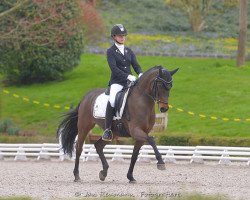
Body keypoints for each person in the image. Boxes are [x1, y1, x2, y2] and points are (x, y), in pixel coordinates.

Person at [102, 24, 143, 141]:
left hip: (130, 82)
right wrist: (127, 76)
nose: (122, 38)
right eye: (120, 36)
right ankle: (107, 129)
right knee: (113, 99)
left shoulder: (128, 50)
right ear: (114, 37)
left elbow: (136, 65)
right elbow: (114, 68)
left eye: (124, 36)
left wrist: (140, 73)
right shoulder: (110, 51)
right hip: (117, 82)